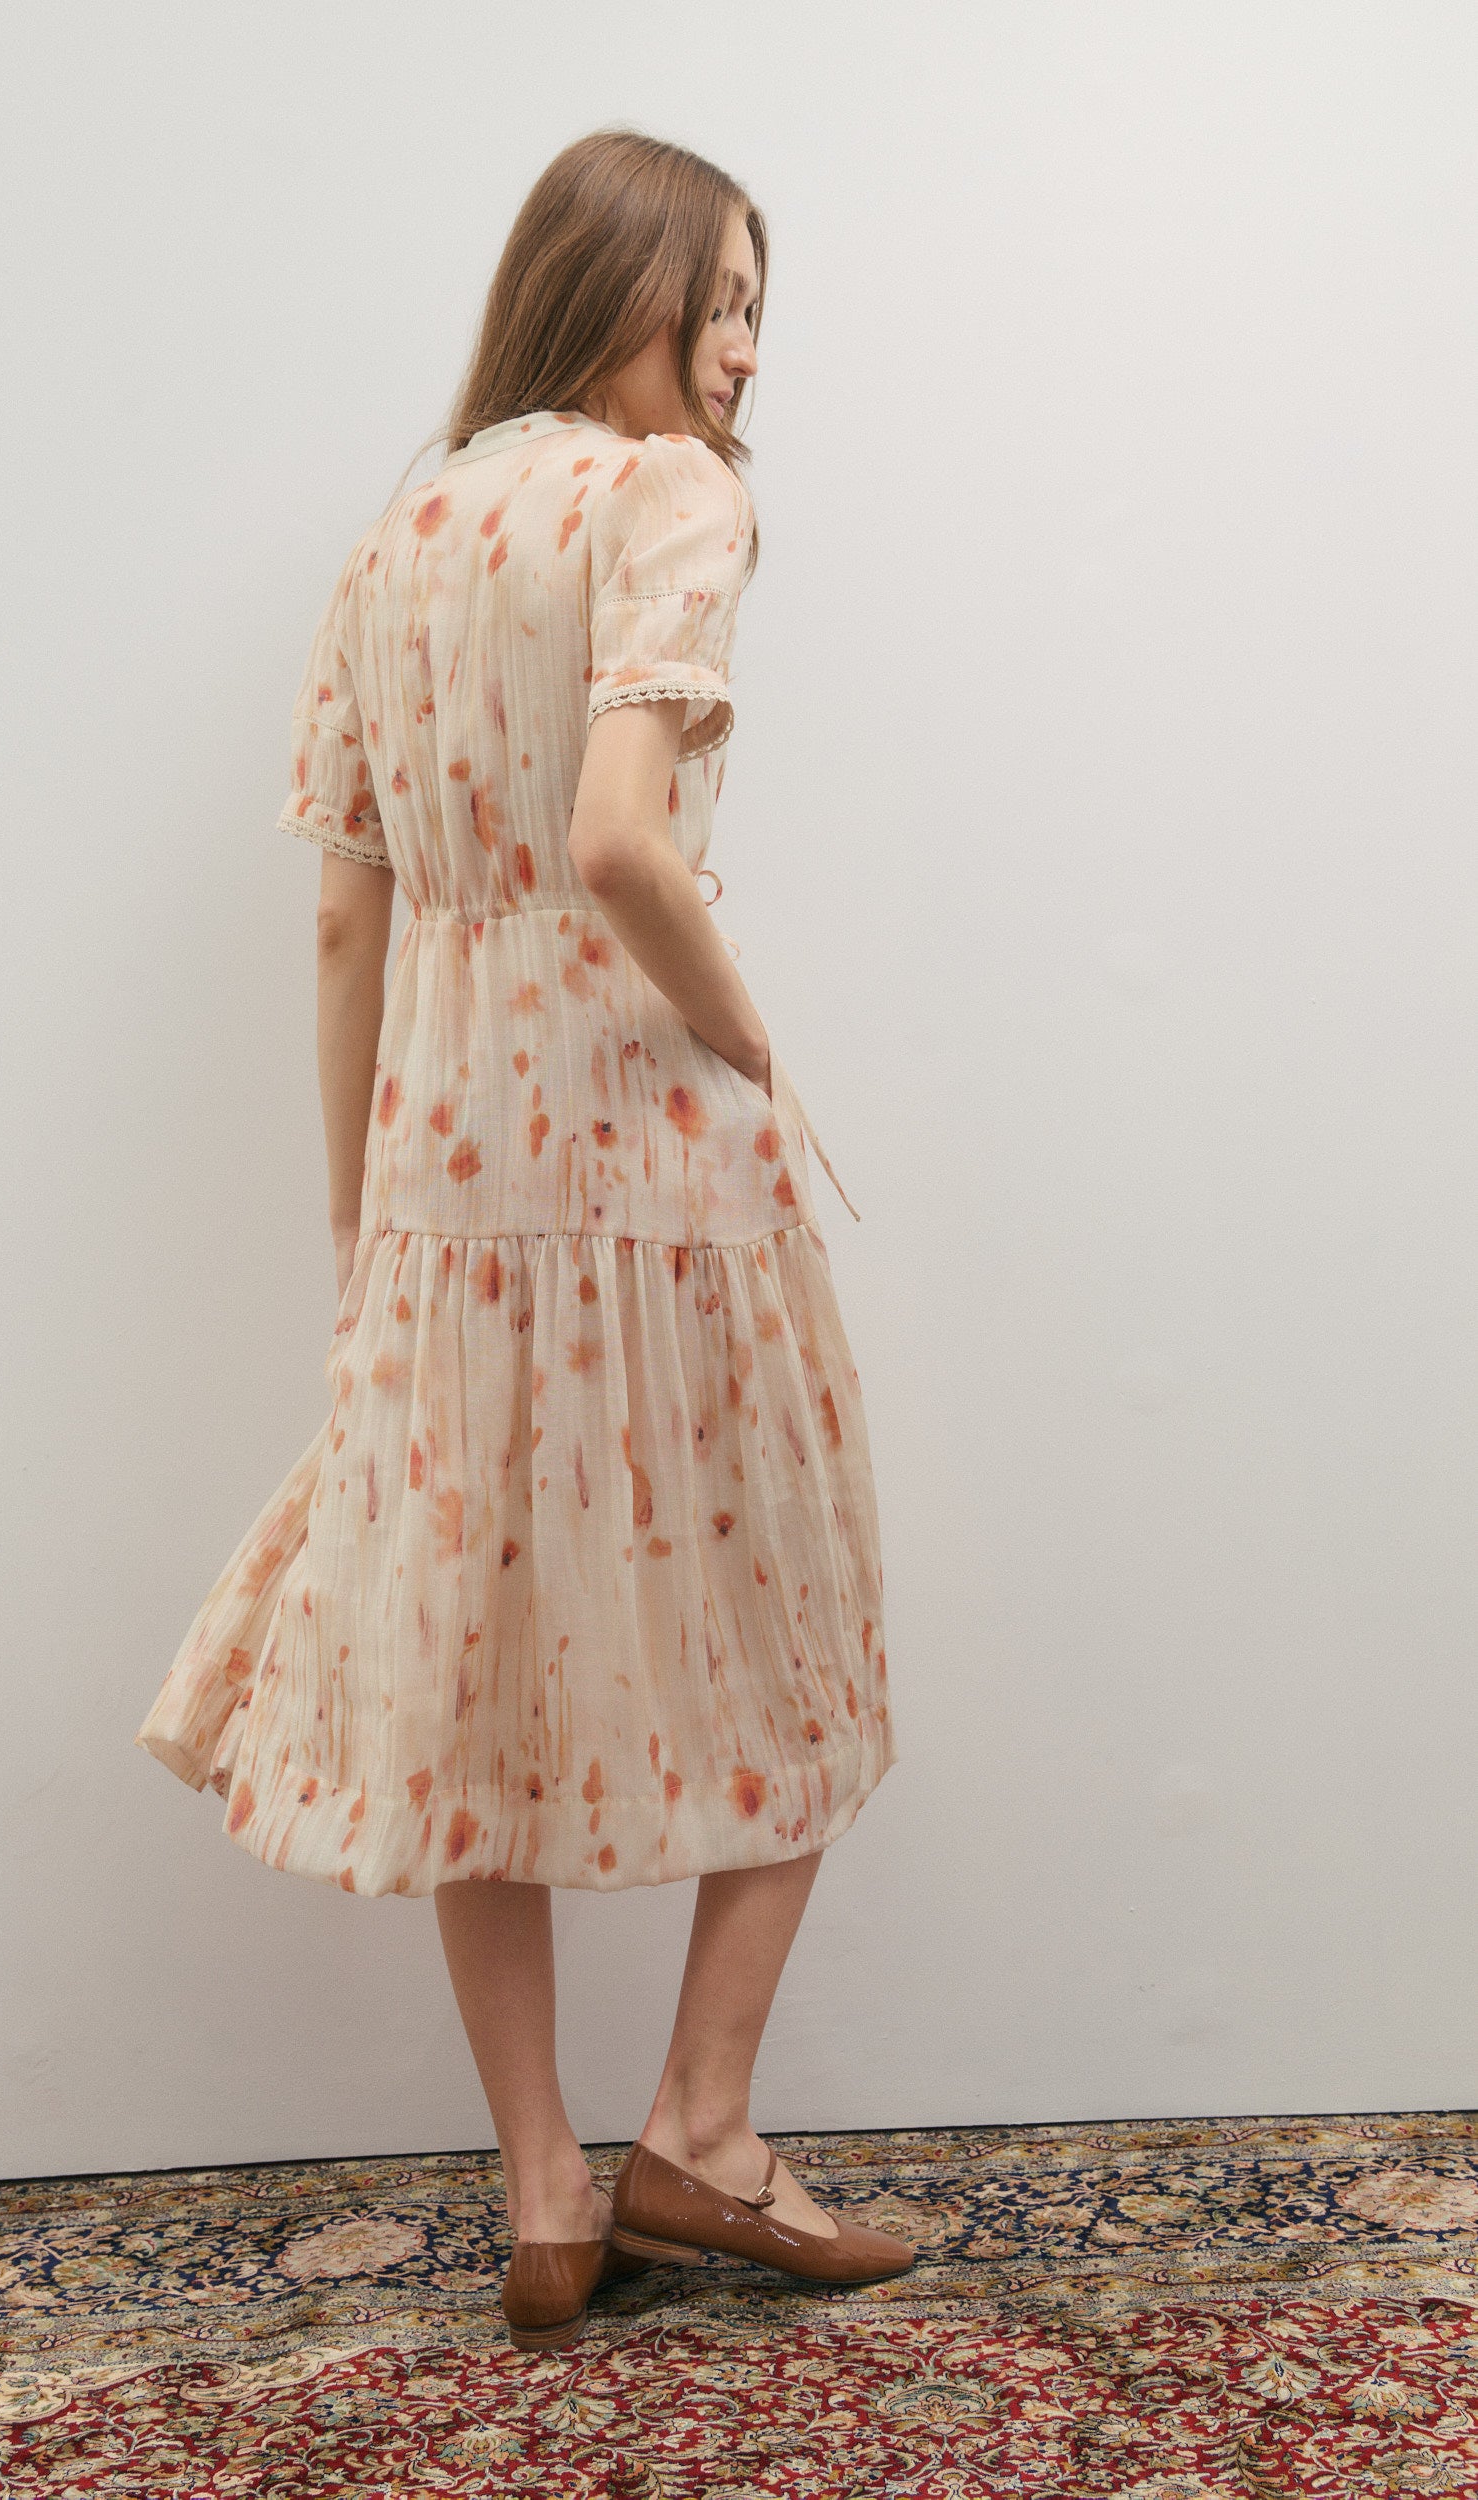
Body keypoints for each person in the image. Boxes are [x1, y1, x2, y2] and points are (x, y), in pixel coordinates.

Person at [134, 125, 909, 2348]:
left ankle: (551, 2185)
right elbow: (621, 841)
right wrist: (749, 1033)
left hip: (451, 1172)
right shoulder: (670, 500)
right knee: (810, 1609)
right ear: (622, 283)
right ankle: (708, 2125)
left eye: (770, 308)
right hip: (655, 1148)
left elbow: (340, 911)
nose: (751, 350)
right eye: (726, 294)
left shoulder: (403, 527)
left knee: (464, 1662)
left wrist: (360, 1204)